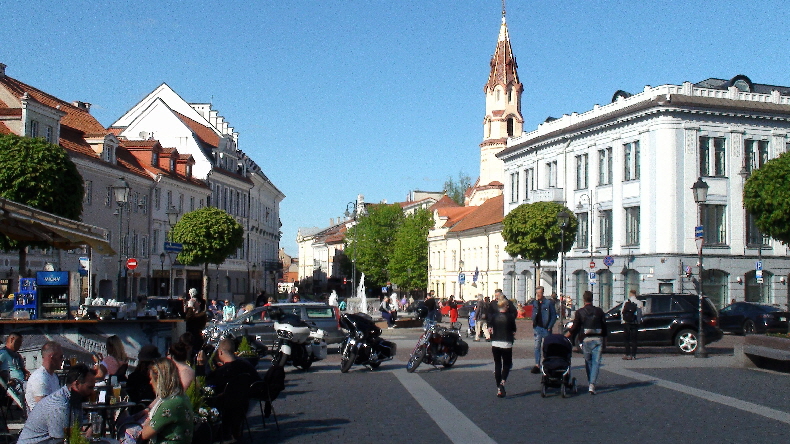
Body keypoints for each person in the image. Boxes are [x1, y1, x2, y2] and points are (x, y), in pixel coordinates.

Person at [16, 364, 96, 444]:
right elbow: (61, 441)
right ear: (77, 384)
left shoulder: (75, 399)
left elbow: (82, 429)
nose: (92, 392)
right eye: (90, 387)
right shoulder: (60, 406)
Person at [140, 358, 194, 444]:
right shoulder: (181, 396)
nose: (150, 382)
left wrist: (147, 421)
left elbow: (145, 434)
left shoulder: (170, 404)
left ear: (159, 380)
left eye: (151, 379)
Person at [566, 290, 608, 395]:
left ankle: (591, 382)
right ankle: (592, 384)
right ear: (592, 299)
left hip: (586, 339)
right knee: (596, 363)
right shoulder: (599, 311)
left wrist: (567, 335)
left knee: (588, 362)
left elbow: (575, 326)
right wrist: (605, 340)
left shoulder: (580, 312)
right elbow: (604, 326)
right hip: (598, 339)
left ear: (584, 299)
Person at [489, 299, 517, 398]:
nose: (508, 307)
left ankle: (498, 388)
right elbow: (514, 329)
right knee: (507, 364)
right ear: (505, 306)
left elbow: (490, 327)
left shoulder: (494, 316)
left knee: (497, 365)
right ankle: (502, 382)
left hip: (495, 342)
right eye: (507, 305)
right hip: (506, 342)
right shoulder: (510, 317)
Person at [25, 341, 63, 412]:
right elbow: (44, 409)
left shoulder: (53, 376)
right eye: (61, 357)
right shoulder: (40, 377)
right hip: (40, 420)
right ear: (52, 357)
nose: (62, 360)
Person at [530, 286, 557, 374]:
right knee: (536, 346)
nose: (538, 295)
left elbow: (553, 316)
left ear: (543, 293)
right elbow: (534, 313)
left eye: (540, 293)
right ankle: (537, 364)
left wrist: (549, 326)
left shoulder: (548, 303)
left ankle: (547, 363)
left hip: (545, 328)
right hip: (537, 327)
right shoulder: (535, 303)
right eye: (537, 293)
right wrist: (533, 322)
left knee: (547, 347)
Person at [0, 332, 30, 411]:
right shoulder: (3, 353)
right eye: (18, 342)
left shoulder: (17, 356)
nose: (20, 345)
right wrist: (5, 380)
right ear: (12, 340)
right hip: (14, 383)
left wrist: (26, 372)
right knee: (33, 388)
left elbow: (21, 368)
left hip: (22, 382)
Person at [621, 289, 643, 360]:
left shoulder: (626, 301)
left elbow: (622, 312)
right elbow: (639, 314)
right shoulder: (639, 303)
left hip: (626, 322)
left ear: (630, 294)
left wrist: (623, 321)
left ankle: (627, 354)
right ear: (635, 294)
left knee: (626, 339)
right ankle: (633, 355)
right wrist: (639, 322)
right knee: (634, 340)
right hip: (634, 323)